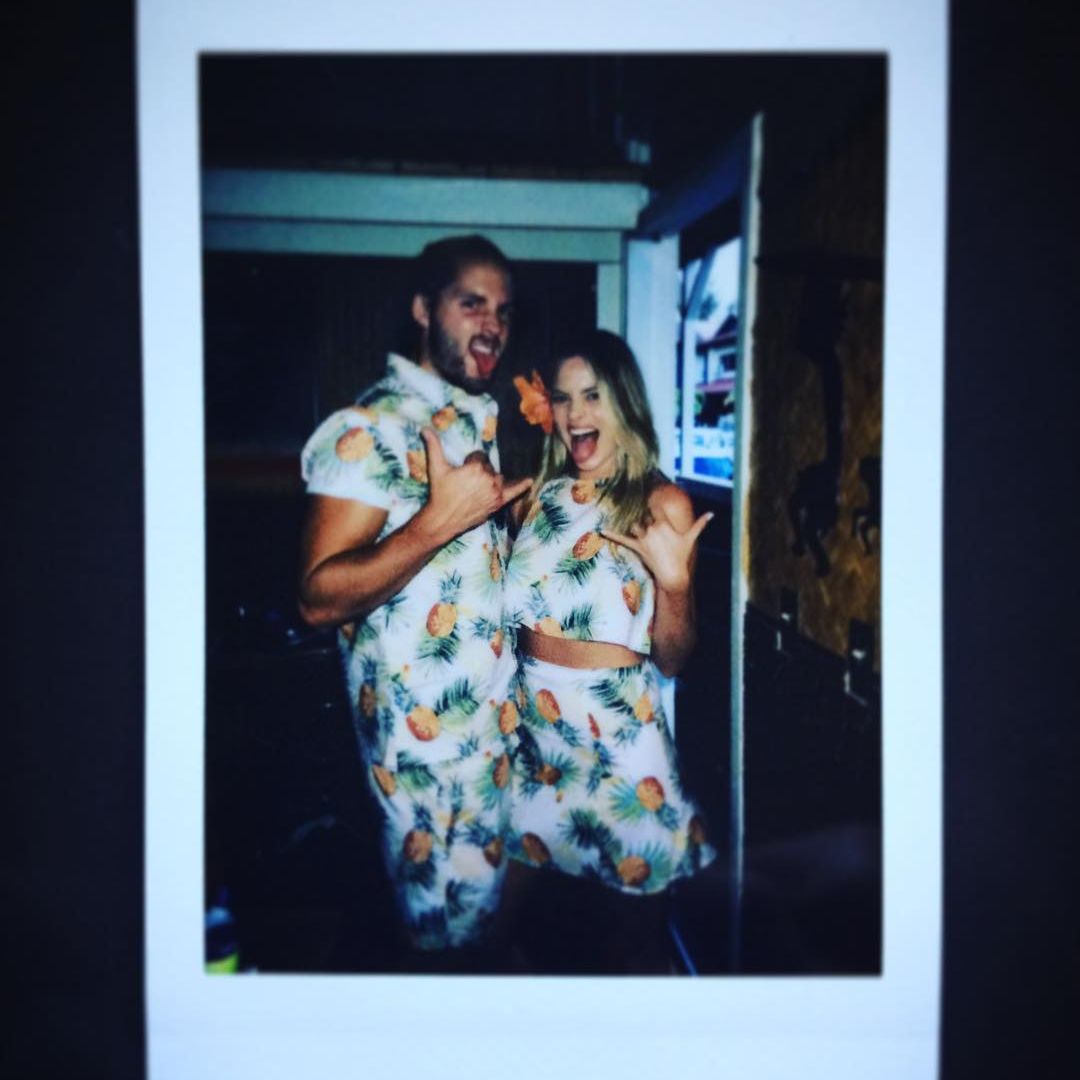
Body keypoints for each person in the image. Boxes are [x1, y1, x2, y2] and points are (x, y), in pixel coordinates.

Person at [297, 235, 531, 964]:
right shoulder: (370, 429)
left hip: (490, 745)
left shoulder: (467, 424)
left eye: (503, 309)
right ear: (424, 310)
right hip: (428, 774)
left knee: (483, 949)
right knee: (439, 960)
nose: (492, 323)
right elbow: (316, 596)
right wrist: (438, 523)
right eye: (471, 303)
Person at [503, 329, 717, 972]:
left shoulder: (662, 502)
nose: (575, 415)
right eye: (564, 398)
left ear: (623, 402)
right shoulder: (536, 499)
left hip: (622, 750)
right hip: (538, 747)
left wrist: (674, 585)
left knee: (633, 949)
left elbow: (675, 658)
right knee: (506, 930)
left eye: (592, 395)